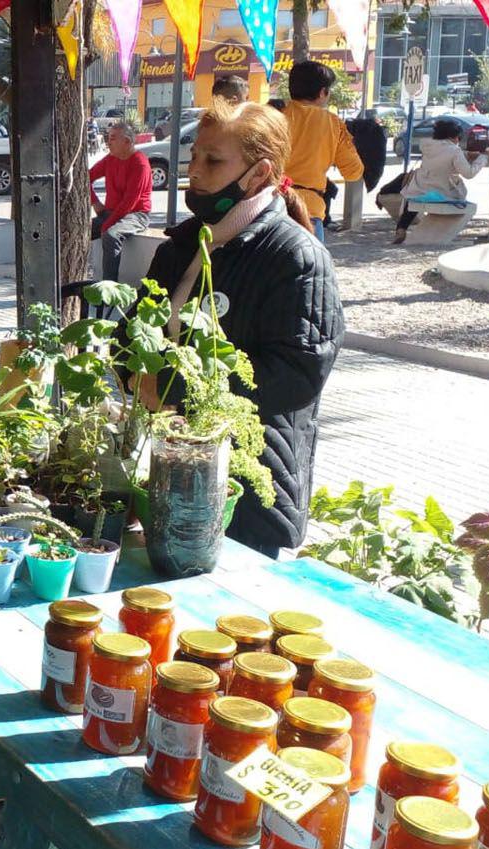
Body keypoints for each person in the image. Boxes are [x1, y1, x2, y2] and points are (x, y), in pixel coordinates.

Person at [140, 101, 342, 557]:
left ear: (258, 173)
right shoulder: (181, 246)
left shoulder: (296, 256)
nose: (195, 171)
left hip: (249, 495)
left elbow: (297, 373)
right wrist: (132, 375)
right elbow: (134, 333)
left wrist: (172, 389)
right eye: (194, 157)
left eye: (213, 161)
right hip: (169, 473)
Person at [281, 60, 364, 240]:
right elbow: (353, 172)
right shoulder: (333, 124)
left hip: (272, 206)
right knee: (313, 267)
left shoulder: (274, 118)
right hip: (309, 211)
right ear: (322, 92)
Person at [392, 119, 485, 244]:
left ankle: (402, 228)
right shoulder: (455, 151)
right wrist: (483, 158)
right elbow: (469, 173)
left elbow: (442, 153)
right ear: (453, 136)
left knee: (414, 198)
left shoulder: (428, 146)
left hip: (419, 190)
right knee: (458, 191)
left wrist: (466, 154)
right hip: (444, 193)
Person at [86, 120, 152, 281]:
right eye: (109, 137)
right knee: (78, 230)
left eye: (113, 138)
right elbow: (85, 178)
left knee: (111, 235)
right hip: (111, 213)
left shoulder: (140, 163)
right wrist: (96, 202)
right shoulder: (111, 159)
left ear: (127, 141)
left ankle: (109, 288)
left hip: (136, 215)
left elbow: (130, 202)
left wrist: (107, 224)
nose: (108, 142)